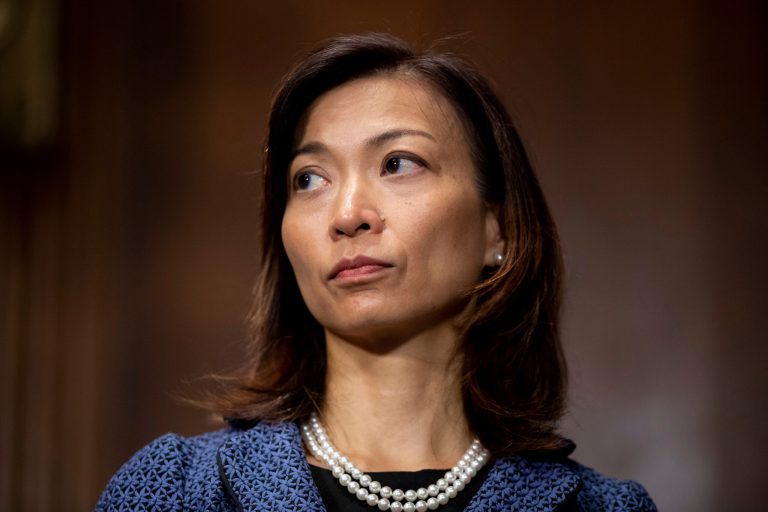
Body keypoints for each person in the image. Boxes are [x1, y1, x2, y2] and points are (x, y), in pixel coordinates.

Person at [96, 33, 656, 511]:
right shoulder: (177, 490)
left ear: (498, 231)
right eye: (310, 179)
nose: (346, 216)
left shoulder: (600, 507)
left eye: (397, 164)